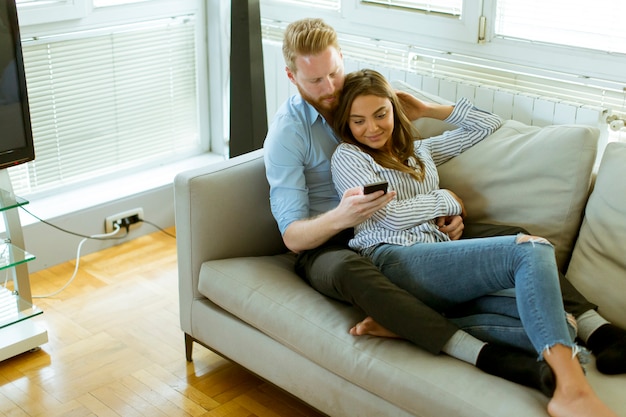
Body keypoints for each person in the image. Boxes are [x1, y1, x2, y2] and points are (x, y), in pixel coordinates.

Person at [263, 17, 557, 395]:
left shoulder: (366, 103)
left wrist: (427, 115)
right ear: (291, 76)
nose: (331, 88)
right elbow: (292, 236)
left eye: (334, 73)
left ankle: (591, 324)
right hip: (330, 242)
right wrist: (341, 216)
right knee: (353, 269)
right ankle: (480, 353)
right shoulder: (288, 134)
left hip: (403, 232)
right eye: (315, 81)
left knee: (513, 237)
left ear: (342, 59)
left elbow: (470, 132)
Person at [329, 68, 618, 417]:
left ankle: (406, 325)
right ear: (347, 123)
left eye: (381, 114)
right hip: (392, 260)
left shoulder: (420, 153)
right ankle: (572, 389)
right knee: (532, 249)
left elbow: (488, 123)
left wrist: (427, 109)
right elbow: (389, 216)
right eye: (358, 120)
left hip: (436, 258)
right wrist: (447, 199)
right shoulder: (349, 156)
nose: (371, 128)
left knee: (559, 320)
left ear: (394, 109)